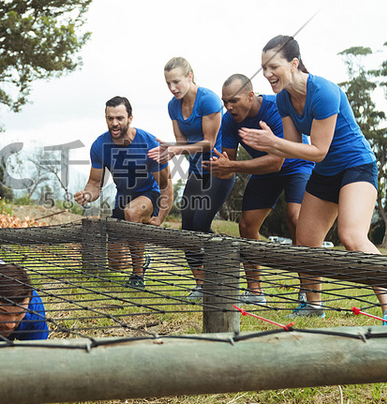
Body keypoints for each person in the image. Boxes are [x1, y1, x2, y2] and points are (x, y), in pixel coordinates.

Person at [238, 35, 387, 325]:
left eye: (273, 66)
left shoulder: (324, 92)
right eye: (263, 68)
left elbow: (317, 150)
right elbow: (294, 146)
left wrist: (273, 143)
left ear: (293, 63)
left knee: (352, 236)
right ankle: (313, 305)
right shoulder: (283, 99)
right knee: (305, 242)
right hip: (325, 172)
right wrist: (273, 144)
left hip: (356, 166)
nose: (266, 74)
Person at [204, 73, 313, 306]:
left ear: (250, 96)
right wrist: (218, 167)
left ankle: (306, 290)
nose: (228, 107)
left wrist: (232, 166)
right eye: (225, 101)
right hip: (265, 171)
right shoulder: (229, 121)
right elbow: (229, 162)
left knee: (295, 219)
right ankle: (255, 291)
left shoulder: (275, 109)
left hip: (297, 165)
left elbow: (276, 161)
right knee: (246, 225)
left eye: (233, 100)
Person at [147, 57, 234, 303]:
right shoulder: (172, 106)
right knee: (187, 231)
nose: (173, 88)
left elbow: (208, 142)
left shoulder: (208, 100)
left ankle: (226, 259)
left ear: (190, 76)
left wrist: (175, 150)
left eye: (176, 81)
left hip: (217, 170)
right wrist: (169, 148)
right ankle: (202, 285)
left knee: (200, 226)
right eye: (168, 83)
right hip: (196, 172)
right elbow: (182, 143)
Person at [74, 95, 172, 288]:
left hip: (150, 194)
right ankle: (142, 260)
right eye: (110, 118)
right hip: (123, 198)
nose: (114, 123)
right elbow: (95, 184)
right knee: (116, 263)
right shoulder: (100, 146)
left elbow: (166, 186)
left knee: (132, 212)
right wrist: (87, 195)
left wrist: (160, 217)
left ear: (130, 118)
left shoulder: (149, 143)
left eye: (119, 118)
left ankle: (137, 276)